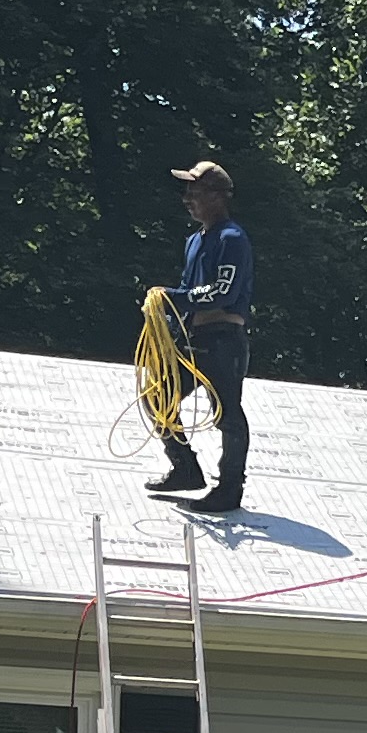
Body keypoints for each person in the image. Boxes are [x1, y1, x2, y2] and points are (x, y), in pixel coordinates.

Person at [149, 160, 255, 511]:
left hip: (224, 338)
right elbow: (188, 288)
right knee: (157, 396)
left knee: (226, 411)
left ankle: (229, 487)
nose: (188, 199)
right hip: (194, 338)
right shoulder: (195, 240)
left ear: (218, 197)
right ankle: (185, 467)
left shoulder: (232, 238)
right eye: (188, 193)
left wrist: (174, 298)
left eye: (195, 193)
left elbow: (223, 291)